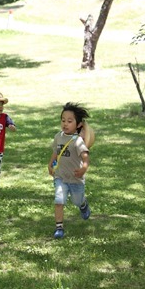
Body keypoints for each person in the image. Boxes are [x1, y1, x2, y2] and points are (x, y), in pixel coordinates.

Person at [48, 102, 91, 239]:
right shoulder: (58, 137)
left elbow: (85, 157)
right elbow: (56, 152)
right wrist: (50, 164)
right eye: (63, 120)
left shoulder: (78, 141)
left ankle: (83, 204)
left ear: (78, 125)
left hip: (75, 179)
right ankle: (59, 227)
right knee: (59, 199)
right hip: (61, 176)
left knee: (76, 200)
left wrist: (83, 169)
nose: (65, 124)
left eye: (69, 121)